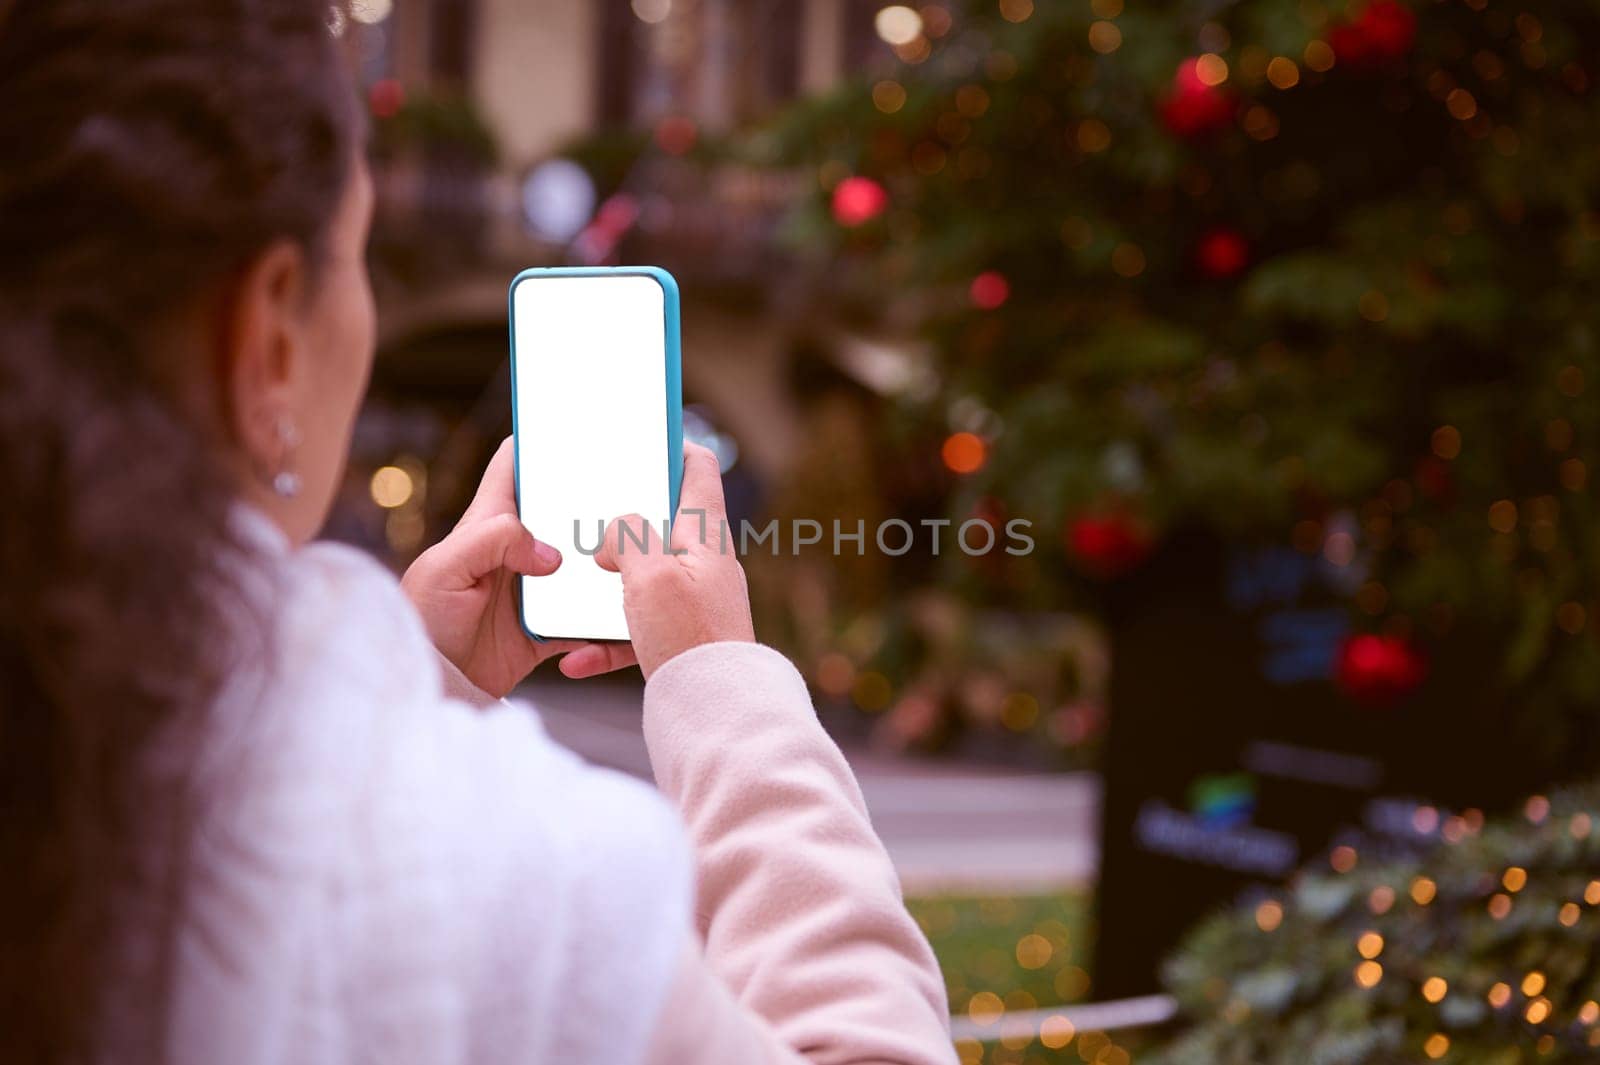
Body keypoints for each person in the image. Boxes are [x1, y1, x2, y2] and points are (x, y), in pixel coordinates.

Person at [0, 2, 955, 1063]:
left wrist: (411, 690)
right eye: (353, 253)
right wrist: (730, 693)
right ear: (266, 333)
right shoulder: (521, 877)